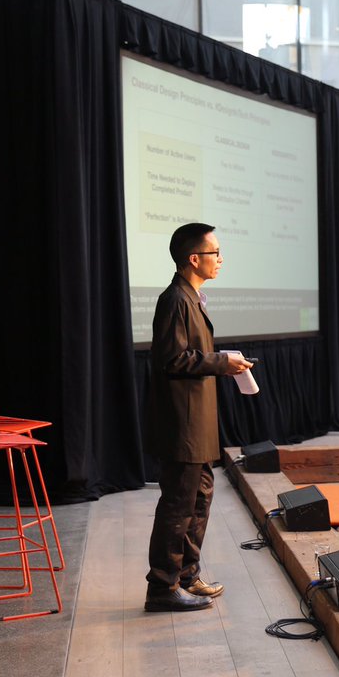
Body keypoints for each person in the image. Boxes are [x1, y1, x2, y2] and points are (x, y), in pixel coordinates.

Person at [143, 223, 254, 613]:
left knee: (200, 500)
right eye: (215, 252)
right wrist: (222, 362)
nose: (220, 259)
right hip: (183, 425)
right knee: (178, 504)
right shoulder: (175, 299)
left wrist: (223, 362)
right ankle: (162, 587)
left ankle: (187, 576)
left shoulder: (192, 297)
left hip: (198, 424)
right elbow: (172, 360)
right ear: (194, 258)